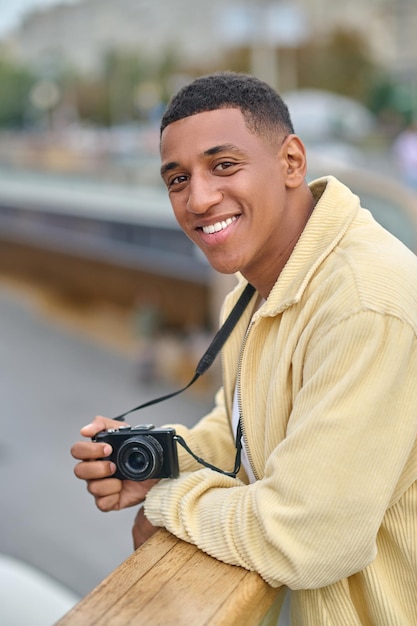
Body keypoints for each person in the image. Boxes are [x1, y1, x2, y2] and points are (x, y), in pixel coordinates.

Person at [71, 72, 417, 625]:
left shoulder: (362, 302)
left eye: (224, 165)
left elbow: (311, 535)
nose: (199, 198)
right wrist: (159, 459)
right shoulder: (265, 282)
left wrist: (166, 503)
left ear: (291, 163)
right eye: (177, 179)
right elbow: (243, 436)